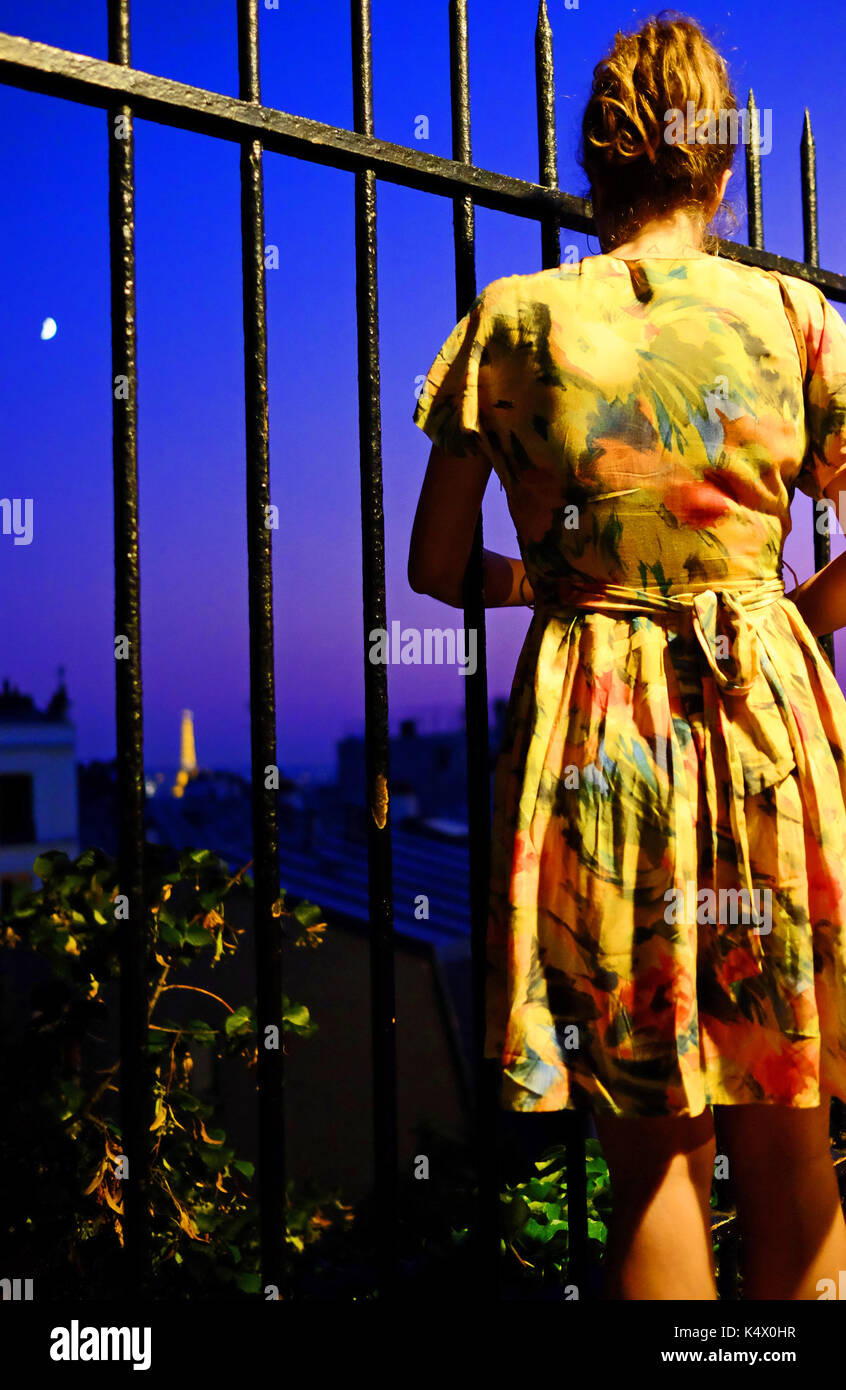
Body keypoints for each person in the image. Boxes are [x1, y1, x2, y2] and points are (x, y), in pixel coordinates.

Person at [408, 10, 846, 1300]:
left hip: (603, 736)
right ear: (725, 165)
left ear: (597, 158)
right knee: (790, 1099)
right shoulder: (798, 320)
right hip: (768, 714)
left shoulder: (517, 322)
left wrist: (560, 584)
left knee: (654, 1153)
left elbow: (436, 568)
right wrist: (793, 611)